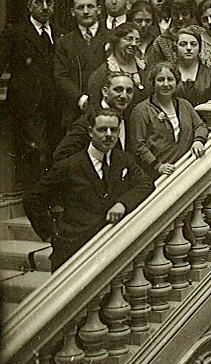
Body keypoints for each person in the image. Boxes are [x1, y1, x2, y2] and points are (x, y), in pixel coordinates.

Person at [24, 109, 153, 270]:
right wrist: (51, 233)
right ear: (91, 131)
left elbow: (145, 184)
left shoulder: (123, 160)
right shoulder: (69, 165)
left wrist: (123, 204)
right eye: (102, 129)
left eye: (113, 130)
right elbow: (33, 199)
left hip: (109, 246)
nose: (108, 134)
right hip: (74, 249)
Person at [1, 0, 60, 186]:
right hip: (27, 106)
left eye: (49, 3)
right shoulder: (15, 33)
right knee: (35, 153)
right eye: (39, 2)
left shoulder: (60, 34)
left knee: (53, 151)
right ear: (29, 6)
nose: (44, 7)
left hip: (54, 106)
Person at [128, 62, 208, 178]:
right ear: (153, 82)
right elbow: (138, 145)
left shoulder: (184, 105)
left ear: (176, 82)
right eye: (160, 80)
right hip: (159, 174)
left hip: (186, 168)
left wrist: (198, 141)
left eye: (170, 79)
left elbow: (200, 126)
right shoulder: (142, 110)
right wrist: (157, 166)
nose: (166, 84)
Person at [54, 0, 109, 126]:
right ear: (73, 12)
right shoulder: (64, 42)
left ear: (99, 10)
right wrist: (80, 98)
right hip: (75, 107)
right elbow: (60, 76)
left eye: (90, 6)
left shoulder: (111, 37)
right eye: (80, 7)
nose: (85, 11)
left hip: (107, 104)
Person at [55, 73, 135, 163]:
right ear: (105, 91)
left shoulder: (128, 117)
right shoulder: (88, 120)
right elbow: (61, 156)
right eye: (118, 90)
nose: (124, 96)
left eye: (129, 91)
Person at [87, 23, 147, 107]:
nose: (133, 44)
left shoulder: (144, 68)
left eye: (137, 40)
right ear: (116, 40)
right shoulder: (103, 72)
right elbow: (94, 104)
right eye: (129, 39)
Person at [147, 0, 198, 67]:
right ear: (169, 13)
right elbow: (155, 70)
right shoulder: (161, 41)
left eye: (184, 14)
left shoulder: (201, 35)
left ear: (191, 13)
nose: (180, 18)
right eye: (175, 14)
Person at [173, 27, 211, 106]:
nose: (189, 48)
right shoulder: (169, 72)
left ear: (199, 47)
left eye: (193, 44)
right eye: (183, 44)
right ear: (175, 47)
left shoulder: (210, 75)